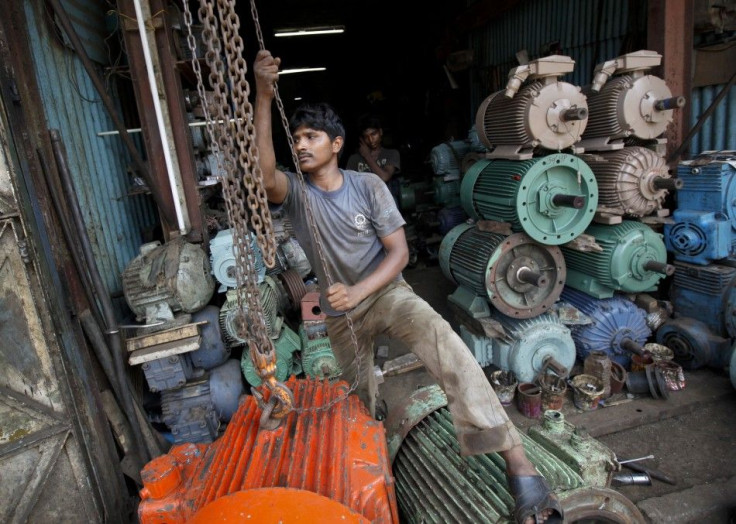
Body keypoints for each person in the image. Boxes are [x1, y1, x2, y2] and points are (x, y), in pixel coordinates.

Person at [253, 49, 563, 524]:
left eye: (311, 136)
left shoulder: (368, 187)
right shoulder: (295, 193)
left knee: (446, 345)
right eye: (295, 138)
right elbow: (261, 171)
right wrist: (263, 93)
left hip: (388, 294)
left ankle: (518, 463)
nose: (301, 145)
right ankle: (381, 479)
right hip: (342, 317)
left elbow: (399, 253)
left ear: (337, 143)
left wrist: (360, 291)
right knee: (358, 400)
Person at [345, 114, 401, 206]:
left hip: (388, 207)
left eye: (373, 134)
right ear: (361, 139)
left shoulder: (391, 154)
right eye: (366, 137)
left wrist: (367, 156)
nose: (371, 140)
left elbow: (384, 177)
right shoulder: (354, 159)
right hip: (364, 207)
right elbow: (348, 187)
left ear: (380, 132)